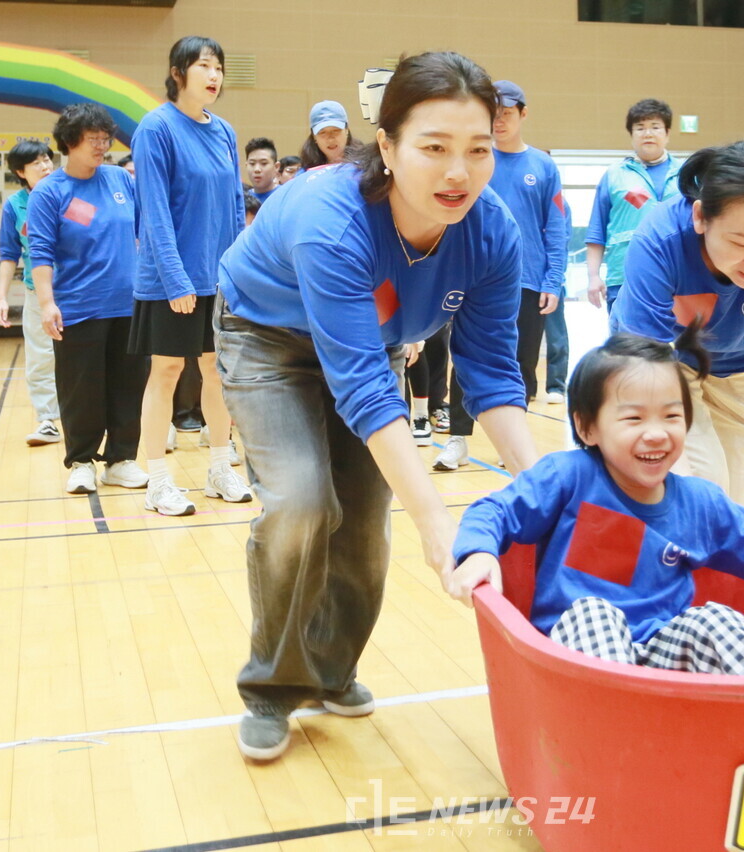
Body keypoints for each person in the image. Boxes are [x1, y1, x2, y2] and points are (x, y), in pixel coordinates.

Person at [215, 51, 538, 761]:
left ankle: (331, 670)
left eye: (478, 149)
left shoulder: (492, 231)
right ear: (387, 148)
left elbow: (490, 370)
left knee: (363, 521)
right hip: (267, 340)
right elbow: (361, 387)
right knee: (302, 501)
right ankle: (272, 687)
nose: (459, 173)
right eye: (434, 148)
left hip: (375, 343)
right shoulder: (332, 220)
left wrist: (545, 486)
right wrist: (436, 523)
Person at [446, 330, 744, 674]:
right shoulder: (568, 477)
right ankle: (617, 736)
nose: (656, 433)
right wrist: (479, 552)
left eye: (672, 416)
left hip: (662, 656)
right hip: (574, 665)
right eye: (634, 418)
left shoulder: (699, 503)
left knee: (716, 621)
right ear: (587, 428)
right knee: (593, 612)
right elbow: (493, 511)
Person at [613, 142, 744, 518]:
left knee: (734, 504)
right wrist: (677, 481)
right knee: (702, 490)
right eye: (740, 243)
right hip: (665, 364)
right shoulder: (660, 240)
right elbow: (645, 362)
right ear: (701, 217)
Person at [129, 35, 252, 516]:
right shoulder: (155, 128)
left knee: (217, 372)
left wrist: (237, 270)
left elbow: (235, 206)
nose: (215, 75)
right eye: (204, 65)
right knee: (166, 372)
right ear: (178, 72)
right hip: (170, 280)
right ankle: (158, 481)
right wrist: (177, 280)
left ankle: (220, 469)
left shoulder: (224, 132)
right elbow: (155, 213)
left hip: (217, 278)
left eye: (219, 67)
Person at [433, 79, 566, 470]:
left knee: (521, 363)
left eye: (507, 113)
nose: (500, 121)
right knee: (466, 358)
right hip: (474, 277)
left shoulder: (543, 166)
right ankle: (458, 439)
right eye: (494, 114)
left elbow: (556, 227)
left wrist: (552, 280)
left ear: (523, 114)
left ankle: (514, 445)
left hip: (528, 280)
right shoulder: (475, 160)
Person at [29, 102, 150, 496]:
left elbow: (143, 232)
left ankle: (121, 460)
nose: (102, 146)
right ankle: (81, 462)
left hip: (129, 305)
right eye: (92, 139)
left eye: (105, 139)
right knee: (81, 390)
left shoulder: (120, 179)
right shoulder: (50, 192)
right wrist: (47, 303)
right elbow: (40, 253)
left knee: (128, 386)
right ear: (70, 142)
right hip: (78, 307)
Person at [585, 98, 683, 320]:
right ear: (631, 135)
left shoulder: (686, 174)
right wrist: (593, 276)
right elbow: (597, 231)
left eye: (655, 127)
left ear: (667, 133)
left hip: (678, 275)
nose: (648, 134)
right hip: (624, 275)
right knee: (626, 339)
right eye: (640, 128)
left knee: (677, 339)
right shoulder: (615, 175)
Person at [0, 140, 62, 446]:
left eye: (47, 159)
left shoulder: (69, 192)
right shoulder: (14, 206)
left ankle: (88, 418)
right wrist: (2, 297)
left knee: (82, 355)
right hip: (37, 293)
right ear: (20, 172)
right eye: (36, 163)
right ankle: (47, 420)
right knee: (40, 357)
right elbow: (9, 253)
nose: (45, 166)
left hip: (76, 289)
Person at [542, 197, 574, 404]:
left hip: (551, 282)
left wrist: (553, 280)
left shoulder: (560, 204)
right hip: (522, 279)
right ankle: (526, 386)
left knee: (555, 335)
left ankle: (556, 385)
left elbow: (561, 244)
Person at [299, 100, 355, 169]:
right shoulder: (307, 171)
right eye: (323, 133)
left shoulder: (363, 167)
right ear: (314, 136)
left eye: (336, 131)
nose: (330, 139)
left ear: (346, 130)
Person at [244, 137, 281, 202]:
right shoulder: (242, 199)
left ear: (276, 167)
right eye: (252, 164)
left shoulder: (284, 195)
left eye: (264, 163)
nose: (257, 169)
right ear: (246, 165)